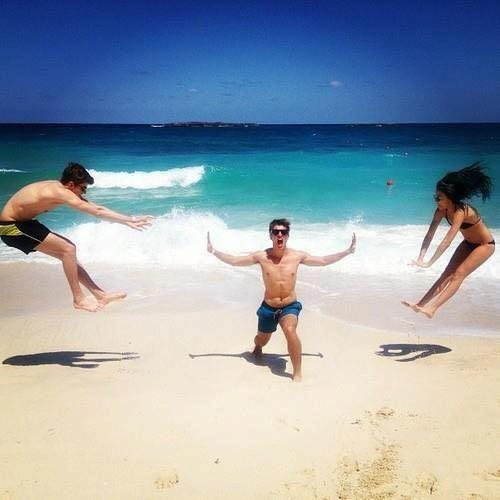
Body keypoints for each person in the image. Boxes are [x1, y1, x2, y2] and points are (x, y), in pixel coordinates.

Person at [207, 219, 356, 381]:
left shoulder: (297, 256)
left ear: (287, 236)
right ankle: (258, 347)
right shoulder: (261, 256)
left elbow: (323, 261)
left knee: (290, 330)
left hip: (290, 306)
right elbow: (235, 261)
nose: (280, 235)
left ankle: (297, 373)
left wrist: (348, 251)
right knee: (261, 339)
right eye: (276, 232)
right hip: (268, 307)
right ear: (270, 235)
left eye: (283, 232)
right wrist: (213, 251)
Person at [0, 162, 153, 312]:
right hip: (11, 228)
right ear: (71, 184)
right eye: (83, 188)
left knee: (69, 256)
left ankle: (101, 296)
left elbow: (96, 207)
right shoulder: (59, 192)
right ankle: (78, 300)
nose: (84, 192)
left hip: (24, 224)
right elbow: (97, 212)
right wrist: (131, 219)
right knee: (68, 249)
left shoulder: (62, 188)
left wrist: (127, 221)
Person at [402, 162, 495, 318]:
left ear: (450, 198)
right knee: (446, 274)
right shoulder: (441, 211)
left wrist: (430, 263)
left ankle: (432, 309)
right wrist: (421, 257)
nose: (436, 200)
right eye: (435, 197)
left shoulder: (460, 211)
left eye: (439, 198)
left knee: (458, 274)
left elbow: (447, 241)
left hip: (485, 245)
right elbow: (429, 235)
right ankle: (420, 305)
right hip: (468, 243)